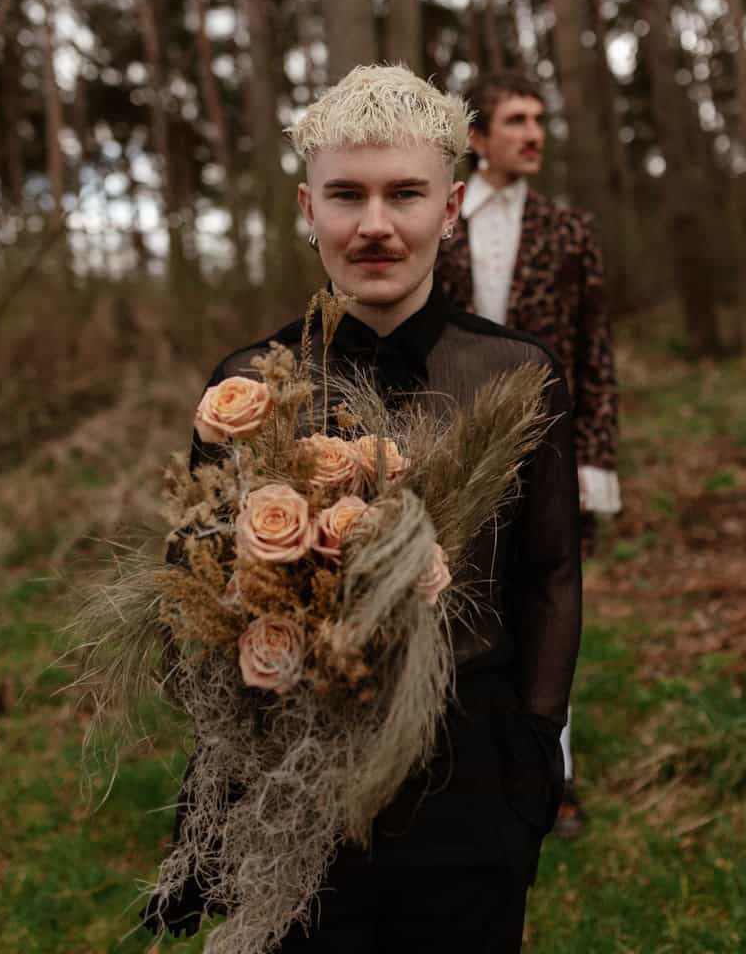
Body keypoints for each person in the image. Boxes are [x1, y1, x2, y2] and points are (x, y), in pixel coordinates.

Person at [148, 65, 582, 951]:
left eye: (405, 194)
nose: (375, 225)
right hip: (289, 787)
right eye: (346, 195)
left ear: (451, 205)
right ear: (308, 210)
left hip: (469, 782)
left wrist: (534, 763)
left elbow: (550, 576)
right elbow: (187, 582)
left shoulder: (517, 375)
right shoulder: (248, 384)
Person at [436, 68, 620, 838]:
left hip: (548, 453)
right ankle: (455, 771)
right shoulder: (437, 225)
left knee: (550, 615)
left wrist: (595, 462)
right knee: (451, 608)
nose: (534, 133)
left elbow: (595, 355)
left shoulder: (571, 230)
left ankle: (553, 778)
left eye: (540, 119)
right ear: (476, 139)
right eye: (516, 120)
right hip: (450, 453)